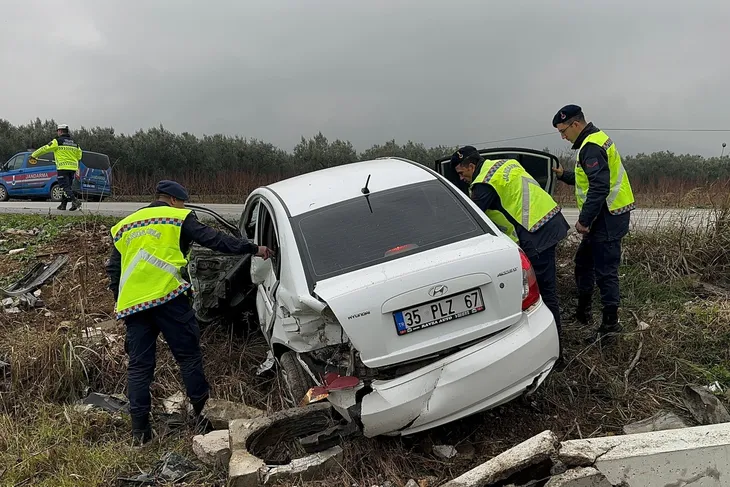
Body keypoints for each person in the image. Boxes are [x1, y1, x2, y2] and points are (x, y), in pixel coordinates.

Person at [105, 180, 274, 445]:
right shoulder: (178, 217)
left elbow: (114, 270)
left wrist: (121, 303)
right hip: (168, 297)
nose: (184, 206)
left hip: (135, 305)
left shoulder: (125, 224)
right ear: (174, 200)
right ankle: (203, 418)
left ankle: (140, 434)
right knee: (188, 358)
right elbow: (215, 240)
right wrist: (253, 248)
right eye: (183, 201)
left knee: (139, 367)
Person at [450, 146, 570, 364]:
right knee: (547, 290)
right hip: (551, 220)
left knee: (543, 294)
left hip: (536, 233)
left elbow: (471, 220)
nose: (462, 178)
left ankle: (557, 353)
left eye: (461, 173)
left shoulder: (483, 185)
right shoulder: (504, 164)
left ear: (471, 165)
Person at [551, 104, 636, 345]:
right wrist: (562, 174)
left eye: (563, 131)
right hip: (606, 215)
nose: (563, 136)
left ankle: (610, 327)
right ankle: (583, 311)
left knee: (606, 272)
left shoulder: (590, 147)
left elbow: (599, 186)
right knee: (583, 262)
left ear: (575, 124)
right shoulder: (595, 140)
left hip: (607, 217)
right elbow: (585, 179)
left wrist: (584, 221)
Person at [30, 124, 83, 211]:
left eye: (58, 131)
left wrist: (34, 155)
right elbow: (79, 156)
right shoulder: (75, 143)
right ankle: (63, 205)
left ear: (60, 131)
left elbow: (45, 148)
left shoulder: (57, 141)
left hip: (62, 167)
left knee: (64, 187)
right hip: (73, 168)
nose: (57, 132)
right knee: (68, 187)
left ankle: (75, 201)